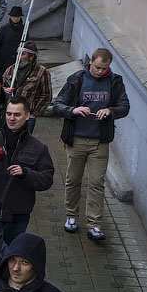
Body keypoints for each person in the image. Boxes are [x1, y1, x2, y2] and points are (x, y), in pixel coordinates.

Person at [52, 47, 130, 241]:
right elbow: (58, 105)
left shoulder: (115, 82)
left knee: (96, 183)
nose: (100, 71)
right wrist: (74, 110)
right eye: (97, 67)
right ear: (91, 62)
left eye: (104, 68)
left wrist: (110, 111)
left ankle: (94, 224)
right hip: (76, 138)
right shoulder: (77, 79)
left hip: (99, 141)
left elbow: (124, 106)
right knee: (73, 180)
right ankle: (71, 216)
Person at [0, 96, 54, 245]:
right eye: (9, 113)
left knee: (10, 257)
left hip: (17, 217)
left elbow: (46, 180)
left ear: (27, 116)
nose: (11, 118)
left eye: (17, 114)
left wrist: (25, 173)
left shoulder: (38, 148)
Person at [0, 6, 25, 74]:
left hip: (18, 59)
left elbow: (26, 44)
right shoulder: (4, 28)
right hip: (3, 59)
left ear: (20, 17)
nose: (15, 18)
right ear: (10, 16)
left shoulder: (24, 29)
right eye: (13, 16)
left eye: (17, 16)